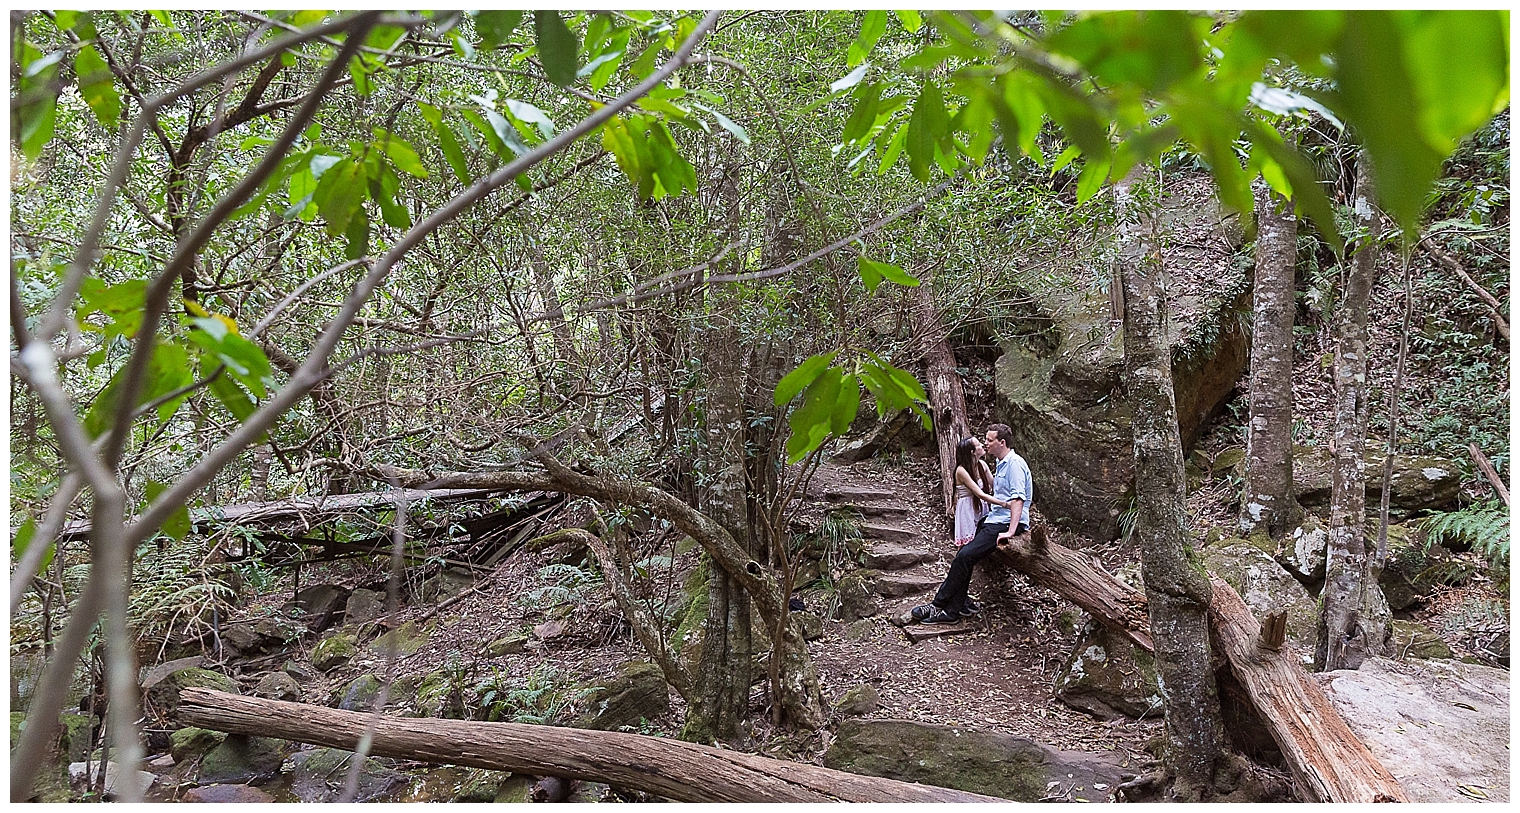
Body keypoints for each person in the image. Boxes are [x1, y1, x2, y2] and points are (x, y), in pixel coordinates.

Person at [913, 423, 1033, 624]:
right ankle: (955, 606)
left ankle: (940, 606)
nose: (986, 443)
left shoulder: (1014, 464)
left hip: (1004, 524)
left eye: (989, 440)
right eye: (984, 440)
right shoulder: (1001, 462)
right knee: (963, 556)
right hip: (994, 519)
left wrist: (1011, 532)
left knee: (965, 556)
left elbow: (1018, 500)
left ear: (1001, 443)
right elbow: (994, 491)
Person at [951, 436, 1001, 548]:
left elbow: (994, 486)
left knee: (980, 541)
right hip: (967, 508)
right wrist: (1004, 504)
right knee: (967, 545)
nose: (982, 445)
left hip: (980, 505)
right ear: (972, 452)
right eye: (978, 445)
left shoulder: (982, 465)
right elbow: (980, 494)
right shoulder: (961, 471)